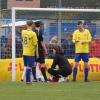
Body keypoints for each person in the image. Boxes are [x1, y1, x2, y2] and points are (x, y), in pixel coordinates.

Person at [21, 20, 38, 84]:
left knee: (29, 66)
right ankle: (28, 82)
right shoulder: (33, 33)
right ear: (32, 25)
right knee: (29, 67)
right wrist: (37, 54)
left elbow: (22, 41)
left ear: (27, 24)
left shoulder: (23, 32)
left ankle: (30, 79)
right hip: (30, 53)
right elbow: (35, 44)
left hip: (24, 52)